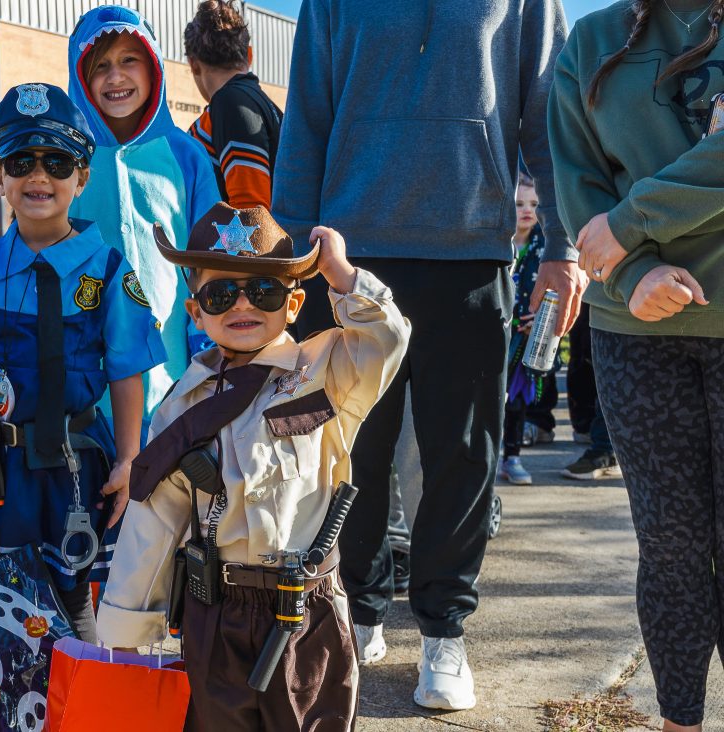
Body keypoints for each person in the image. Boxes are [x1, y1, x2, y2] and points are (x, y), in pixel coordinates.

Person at [272, 0, 580, 710]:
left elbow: (548, 114)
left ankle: (444, 629)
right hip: (348, 259)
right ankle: (364, 610)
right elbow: (308, 120)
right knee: (351, 453)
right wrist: (287, 259)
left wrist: (561, 245)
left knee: (460, 454)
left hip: (469, 253)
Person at [97, 203, 410, 731]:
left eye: (262, 291)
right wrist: (124, 630)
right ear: (195, 313)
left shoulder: (326, 370)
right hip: (216, 611)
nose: (242, 305)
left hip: (307, 609)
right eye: (221, 295)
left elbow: (388, 339)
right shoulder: (179, 407)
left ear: (293, 304)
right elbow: (155, 520)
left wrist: (344, 277)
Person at [0, 83, 167, 642]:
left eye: (57, 161)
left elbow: (127, 370)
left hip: (77, 465)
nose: (39, 176)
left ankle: (76, 697)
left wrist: (129, 458)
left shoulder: (107, 269)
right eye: (21, 161)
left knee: (75, 598)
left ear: (81, 178)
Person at [548, 1, 723, 728]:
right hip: (635, 330)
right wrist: (632, 273)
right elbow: (577, 183)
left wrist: (630, 225)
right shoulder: (590, 40)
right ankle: (678, 719)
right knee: (672, 548)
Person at [67, 5, 220, 426]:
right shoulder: (66, 159)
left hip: (171, 364)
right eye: (101, 66)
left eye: (129, 60)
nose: (116, 77)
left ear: (154, 67)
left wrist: (208, 348)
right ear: (80, 77)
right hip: (82, 364)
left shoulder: (186, 157)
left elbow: (211, 261)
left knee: (163, 477)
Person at [184, 0, 283, 209]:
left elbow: (251, 213)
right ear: (249, 54)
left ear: (193, 64)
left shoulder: (230, 104)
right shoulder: (268, 107)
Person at [500, 175, 559, 486]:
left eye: (534, 204)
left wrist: (542, 320)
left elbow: (557, 293)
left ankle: (512, 457)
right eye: (519, 203)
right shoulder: (497, 243)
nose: (526, 210)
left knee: (517, 400)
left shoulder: (547, 247)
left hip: (527, 337)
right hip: (493, 334)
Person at [561, 302, 621, 480]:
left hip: (619, 293)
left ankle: (606, 451)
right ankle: (591, 431)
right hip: (594, 287)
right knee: (585, 354)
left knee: (612, 364)